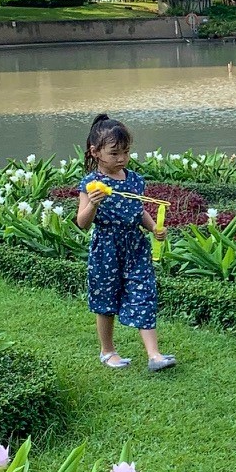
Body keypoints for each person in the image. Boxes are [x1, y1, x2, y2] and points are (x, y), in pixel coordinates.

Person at [75, 113, 176, 372]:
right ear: (95, 152)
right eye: (114, 153)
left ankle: (154, 355)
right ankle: (107, 351)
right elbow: (82, 222)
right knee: (106, 300)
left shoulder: (133, 180)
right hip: (106, 248)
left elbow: (138, 210)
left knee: (145, 294)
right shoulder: (90, 184)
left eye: (126, 152)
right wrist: (94, 204)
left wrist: (154, 228)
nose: (121, 159)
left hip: (135, 247)